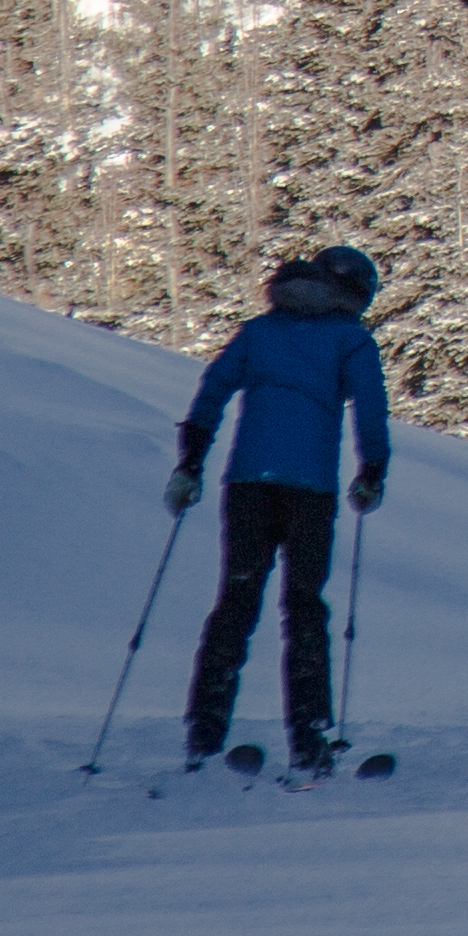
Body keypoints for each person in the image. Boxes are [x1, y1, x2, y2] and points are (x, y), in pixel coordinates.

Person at [172, 245, 392, 767]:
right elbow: (371, 409)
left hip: (246, 483)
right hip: (310, 491)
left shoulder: (257, 333)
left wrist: (191, 461)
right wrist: (372, 471)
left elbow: (212, 392)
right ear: (350, 292)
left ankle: (204, 735)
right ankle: (310, 739)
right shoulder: (351, 340)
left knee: (235, 604)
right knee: (304, 609)